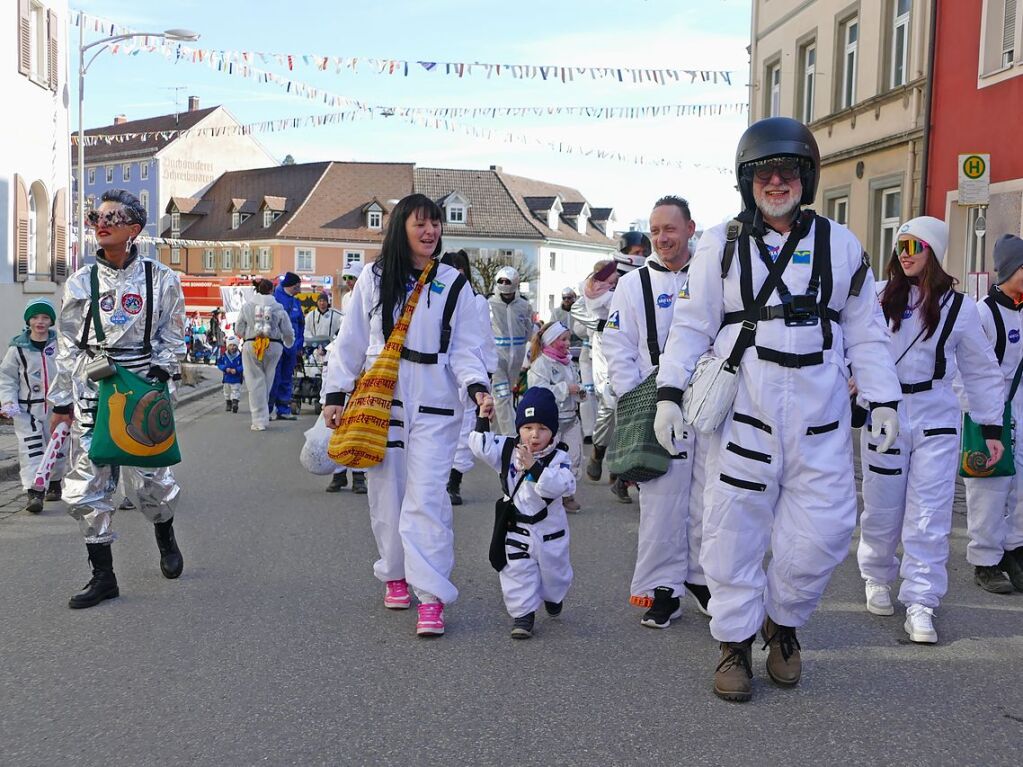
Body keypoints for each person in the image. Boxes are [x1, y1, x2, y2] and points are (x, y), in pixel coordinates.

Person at [653, 117, 902, 702]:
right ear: (748, 180)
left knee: (824, 532)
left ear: (807, 177)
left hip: (820, 422)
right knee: (731, 530)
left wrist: (884, 397)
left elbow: (866, 333)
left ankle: (783, 623)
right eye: (765, 172)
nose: (776, 182)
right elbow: (690, 328)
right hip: (747, 416)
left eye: (788, 171)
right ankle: (735, 643)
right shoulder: (718, 244)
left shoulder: (841, 246)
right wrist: (669, 393)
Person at [322, 193, 494, 637]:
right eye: (421, 224)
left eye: (435, 224)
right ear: (401, 227)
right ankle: (394, 572)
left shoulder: (455, 282)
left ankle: (431, 596)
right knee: (386, 493)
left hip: (437, 401)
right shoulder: (374, 278)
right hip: (385, 397)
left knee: (428, 499)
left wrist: (476, 388)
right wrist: (335, 392)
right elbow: (351, 340)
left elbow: (467, 349)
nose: (430, 232)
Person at [856, 216, 1003, 644]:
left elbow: (981, 371)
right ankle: (878, 576)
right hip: (887, 415)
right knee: (882, 507)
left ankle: (921, 600)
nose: (904, 254)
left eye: (914, 246)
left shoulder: (962, 309)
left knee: (930, 514)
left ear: (933, 252)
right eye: (900, 245)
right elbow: (854, 350)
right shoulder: (879, 299)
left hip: (936, 417)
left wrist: (991, 428)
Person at [48, 189, 186, 609]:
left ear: (134, 228)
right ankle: (103, 575)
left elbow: (173, 334)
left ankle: (164, 533)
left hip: (143, 386)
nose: (101, 223)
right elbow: (68, 343)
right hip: (95, 386)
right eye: (96, 217)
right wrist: (62, 402)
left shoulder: (160, 279)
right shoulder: (79, 282)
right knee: (85, 487)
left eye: (113, 216)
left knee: (152, 487)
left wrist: (162, 372)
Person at [603, 196, 711, 628]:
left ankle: (702, 578)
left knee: (708, 498)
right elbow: (615, 344)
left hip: (707, 398)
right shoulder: (633, 286)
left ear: (690, 228)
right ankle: (663, 588)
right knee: (662, 499)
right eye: (655, 231)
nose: (662, 238)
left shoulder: (711, 277)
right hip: (654, 399)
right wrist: (634, 396)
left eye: (670, 229)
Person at [470, 387, 574, 638]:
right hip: (517, 528)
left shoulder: (559, 458)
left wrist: (534, 468)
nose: (534, 435)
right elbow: (481, 446)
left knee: (554, 575)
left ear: (553, 431)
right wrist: (483, 417)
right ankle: (523, 614)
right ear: (519, 428)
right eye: (527, 428)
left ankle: (552, 596)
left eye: (542, 428)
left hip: (550, 530)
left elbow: (562, 485)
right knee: (516, 570)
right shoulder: (508, 449)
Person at [963, 234, 1023, 594]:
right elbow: (965, 369)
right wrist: (978, 414)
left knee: (1022, 486)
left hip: (1021, 406)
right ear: (1012, 269)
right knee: (988, 485)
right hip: (990, 408)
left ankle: (1014, 548)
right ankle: (985, 560)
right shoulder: (982, 313)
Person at [0, 298, 65, 513]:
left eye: (45, 317)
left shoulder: (61, 346)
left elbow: (70, 372)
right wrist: (8, 402)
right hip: (27, 410)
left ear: (51, 321)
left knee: (57, 448)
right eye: (35, 317)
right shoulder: (18, 349)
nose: (40, 321)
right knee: (31, 450)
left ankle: (54, 483)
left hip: (57, 408)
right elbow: (7, 378)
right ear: (28, 321)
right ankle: (34, 493)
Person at [443, 250, 498, 506]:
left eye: (460, 270)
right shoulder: (432, 299)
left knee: (465, 428)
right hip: (439, 373)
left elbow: (482, 339)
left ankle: (454, 481)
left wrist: (484, 373)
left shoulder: (476, 301)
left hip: (468, 373)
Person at [526, 320, 584, 512]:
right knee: (551, 458)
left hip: (571, 418)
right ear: (551, 340)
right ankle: (546, 494)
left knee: (574, 457)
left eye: (568, 339)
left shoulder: (568, 362)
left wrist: (580, 393)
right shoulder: (541, 364)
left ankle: (567, 494)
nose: (568, 344)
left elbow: (576, 384)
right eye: (564, 339)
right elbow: (538, 391)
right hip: (552, 422)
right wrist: (566, 388)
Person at [234, 279, 295, 432]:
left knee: (255, 381)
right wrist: (289, 342)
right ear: (272, 290)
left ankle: (258, 419)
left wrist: (245, 335)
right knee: (268, 380)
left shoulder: (247, 306)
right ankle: (265, 413)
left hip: (252, 344)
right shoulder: (278, 307)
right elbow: (287, 330)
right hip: (273, 345)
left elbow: (239, 328)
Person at [489, 266, 534, 435]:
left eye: (507, 281)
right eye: (501, 281)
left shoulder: (524, 305)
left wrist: (528, 355)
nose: (503, 284)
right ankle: (513, 435)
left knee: (504, 396)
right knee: (501, 394)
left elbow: (529, 331)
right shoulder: (489, 304)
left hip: (517, 356)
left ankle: (492, 434)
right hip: (496, 356)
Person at [267, 272, 305, 421]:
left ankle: (283, 409)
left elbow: (301, 324)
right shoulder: (275, 300)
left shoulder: (295, 302)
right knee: (274, 378)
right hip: (277, 344)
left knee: (286, 378)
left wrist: (299, 344)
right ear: (293, 285)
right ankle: (268, 409)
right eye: (298, 285)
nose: (300, 288)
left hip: (292, 347)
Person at [216, 337, 244, 413]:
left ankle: (235, 403)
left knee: (235, 390)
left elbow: (244, 365)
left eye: (234, 345)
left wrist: (237, 370)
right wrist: (225, 368)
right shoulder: (224, 355)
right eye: (230, 345)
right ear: (227, 346)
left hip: (236, 378)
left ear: (237, 346)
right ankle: (228, 403)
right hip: (227, 378)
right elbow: (219, 364)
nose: (232, 347)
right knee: (227, 392)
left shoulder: (240, 356)